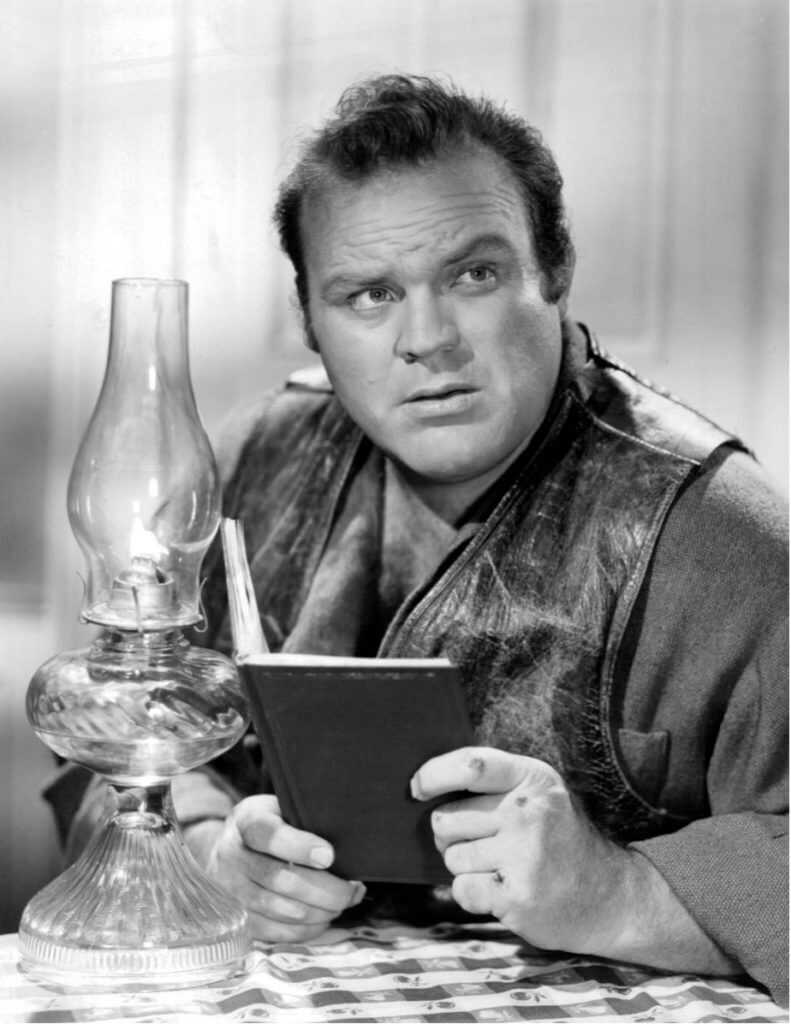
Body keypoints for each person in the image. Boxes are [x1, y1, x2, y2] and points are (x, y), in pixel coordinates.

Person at [49, 74, 788, 1004]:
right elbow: (108, 740)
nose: (426, 339)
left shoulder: (718, 533)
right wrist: (204, 854)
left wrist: (618, 893)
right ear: (309, 320)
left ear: (554, 271)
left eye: (473, 275)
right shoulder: (254, 460)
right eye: (368, 294)